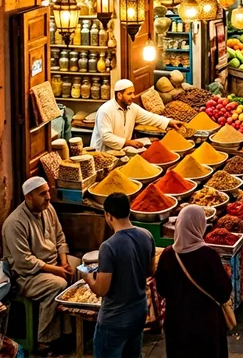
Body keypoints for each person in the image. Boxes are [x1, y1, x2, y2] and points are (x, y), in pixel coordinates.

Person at [1, 177, 79, 353]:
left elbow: (59, 237)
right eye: (42, 194)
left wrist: (64, 262)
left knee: (78, 268)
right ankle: (45, 340)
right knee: (57, 284)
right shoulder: (15, 223)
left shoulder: (48, 208)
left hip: (53, 263)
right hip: (26, 276)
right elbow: (24, 261)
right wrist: (56, 270)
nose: (48, 197)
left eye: (48, 192)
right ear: (29, 197)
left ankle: (69, 331)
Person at [83, 193, 156, 358]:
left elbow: (101, 290)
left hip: (115, 318)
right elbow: (150, 270)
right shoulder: (147, 236)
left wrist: (87, 277)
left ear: (108, 216)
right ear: (129, 211)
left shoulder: (108, 247)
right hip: (139, 311)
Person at [155, 206, 232, 358]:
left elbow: (161, 288)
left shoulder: (168, 255)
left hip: (177, 323)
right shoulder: (209, 255)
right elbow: (224, 293)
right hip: (206, 324)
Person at [90, 78, 178, 151]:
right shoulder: (105, 111)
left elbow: (150, 117)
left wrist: (169, 122)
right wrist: (128, 142)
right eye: (129, 94)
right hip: (103, 153)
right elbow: (106, 137)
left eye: (133, 93)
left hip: (121, 151)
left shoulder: (132, 108)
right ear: (119, 95)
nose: (133, 96)